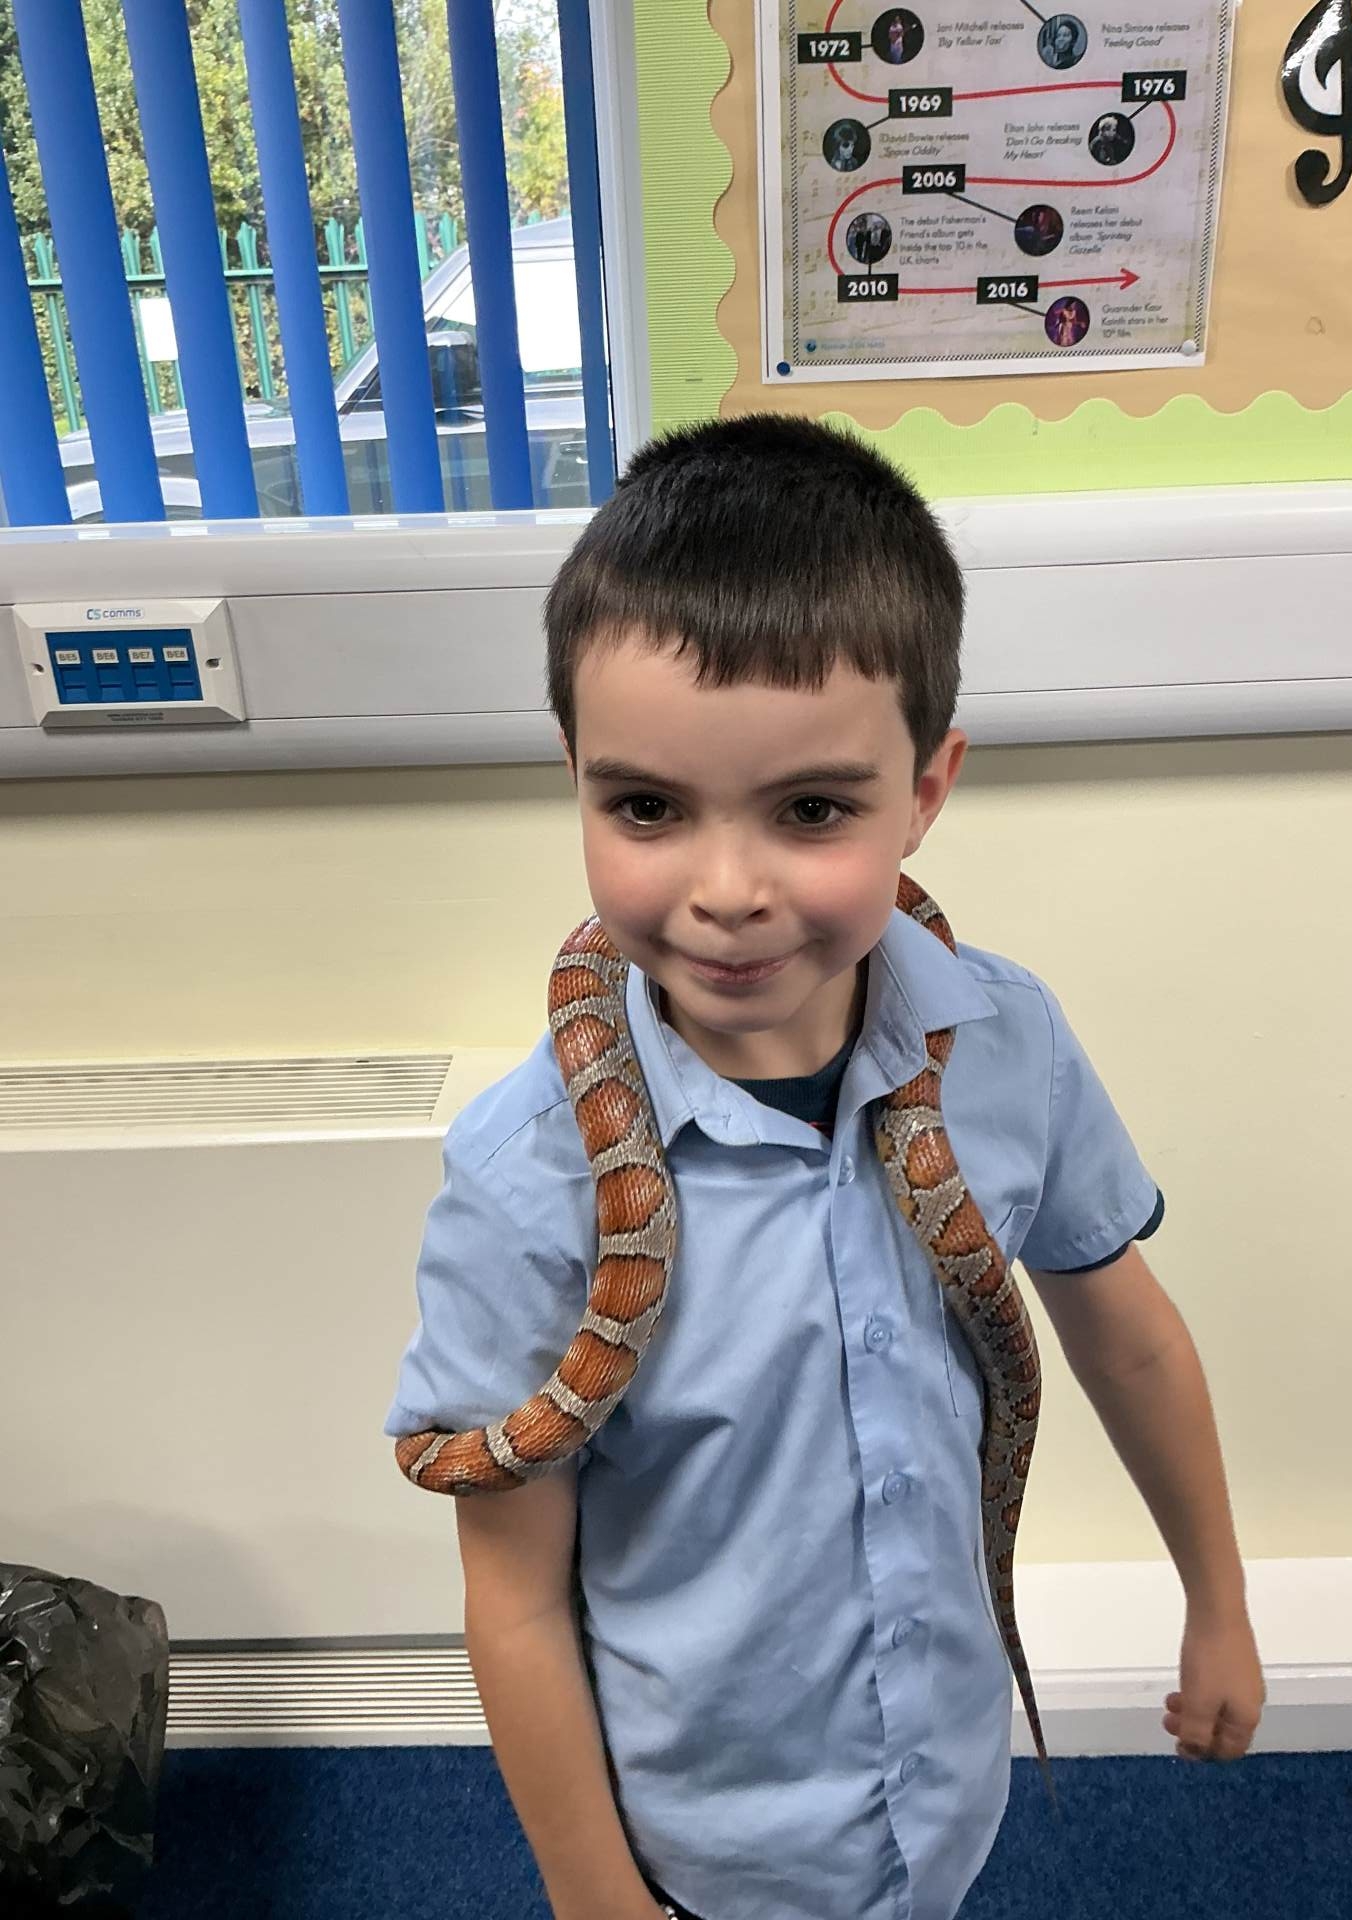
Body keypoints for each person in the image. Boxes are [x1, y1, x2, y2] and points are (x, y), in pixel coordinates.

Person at [385, 415, 1266, 1920]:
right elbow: (513, 1594)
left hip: (941, 1781)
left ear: (926, 789)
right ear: (576, 778)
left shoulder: (1004, 1042)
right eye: (647, 806)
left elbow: (1127, 1336)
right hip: (709, 1843)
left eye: (813, 810)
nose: (728, 892)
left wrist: (1220, 1602)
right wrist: (598, 1899)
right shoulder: (531, 1177)